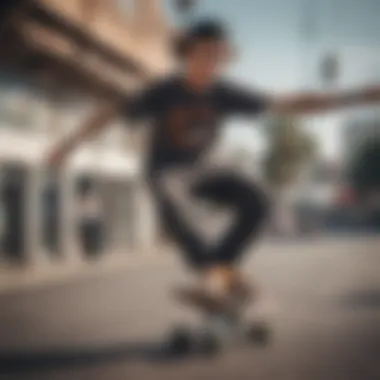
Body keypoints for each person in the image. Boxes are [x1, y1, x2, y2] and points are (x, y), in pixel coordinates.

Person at [47, 19, 380, 301]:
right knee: (168, 192)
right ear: (188, 53)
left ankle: (221, 270)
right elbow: (110, 112)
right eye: (206, 54)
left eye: (219, 57)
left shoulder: (224, 92)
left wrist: (353, 96)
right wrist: (69, 143)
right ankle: (213, 272)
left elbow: (288, 104)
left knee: (258, 199)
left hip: (209, 171)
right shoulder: (162, 92)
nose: (212, 63)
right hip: (169, 171)